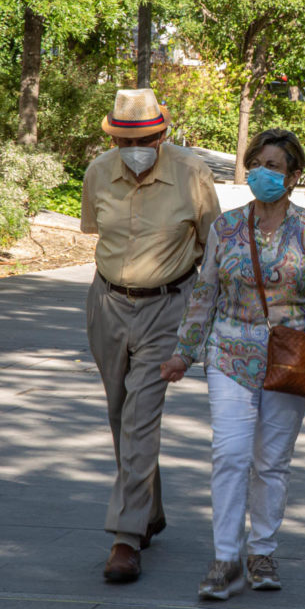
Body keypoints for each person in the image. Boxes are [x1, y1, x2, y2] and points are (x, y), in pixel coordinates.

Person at [160, 129, 305, 601]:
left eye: (275, 167)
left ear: (293, 176)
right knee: (230, 454)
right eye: (257, 164)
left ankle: (261, 551)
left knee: (271, 463)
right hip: (229, 354)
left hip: (291, 357)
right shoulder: (225, 227)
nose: (264, 173)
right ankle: (226, 559)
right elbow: (205, 293)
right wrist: (185, 351)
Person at [81, 88, 221, 583]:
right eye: (123, 138)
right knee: (121, 413)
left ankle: (125, 537)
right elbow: (95, 229)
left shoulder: (192, 174)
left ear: (162, 134)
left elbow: (214, 245)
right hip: (107, 303)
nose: (133, 146)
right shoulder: (99, 171)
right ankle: (149, 512)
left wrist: (199, 316)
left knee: (141, 415)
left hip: (167, 306)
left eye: (143, 138)